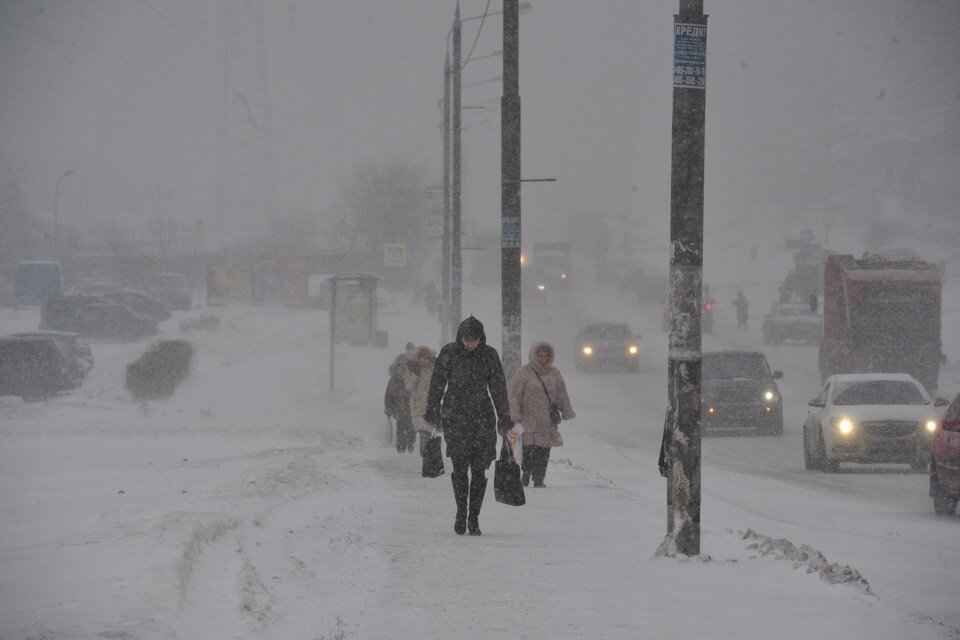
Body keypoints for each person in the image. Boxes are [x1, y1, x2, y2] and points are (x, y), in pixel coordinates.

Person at [424, 316, 513, 536]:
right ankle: (461, 512)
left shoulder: (489, 355)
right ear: (460, 337)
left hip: (482, 419)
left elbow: (498, 389)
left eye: (474, 339)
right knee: (459, 469)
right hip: (456, 419)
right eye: (467, 339)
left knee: (480, 472)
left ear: (480, 338)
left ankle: (474, 517)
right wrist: (432, 411)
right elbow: (437, 384)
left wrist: (504, 419)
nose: (470, 344)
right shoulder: (449, 353)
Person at [508, 342, 576, 488]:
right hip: (528, 419)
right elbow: (514, 394)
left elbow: (561, 394)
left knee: (543, 450)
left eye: (545, 355)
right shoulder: (523, 372)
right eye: (539, 355)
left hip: (547, 420)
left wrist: (567, 411)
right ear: (534, 354)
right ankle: (525, 476)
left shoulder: (554, 373)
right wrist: (515, 413)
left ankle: (539, 479)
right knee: (528, 449)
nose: (542, 358)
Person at [405, 346, 437, 457]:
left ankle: (430, 459)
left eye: (426, 358)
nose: (424, 361)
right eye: (421, 358)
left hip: (432, 405)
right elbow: (409, 387)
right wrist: (415, 374)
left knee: (432, 433)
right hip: (418, 406)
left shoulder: (434, 367)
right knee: (424, 432)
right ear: (417, 359)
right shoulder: (412, 368)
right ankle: (425, 456)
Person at [385, 365, 415, 453]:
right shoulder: (393, 381)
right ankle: (401, 446)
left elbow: (417, 393)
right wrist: (388, 409)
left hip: (410, 409)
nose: (402, 373)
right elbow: (388, 396)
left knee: (410, 428)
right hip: (399, 409)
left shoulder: (412, 380)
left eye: (404, 371)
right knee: (400, 428)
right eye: (401, 371)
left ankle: (410, 444)